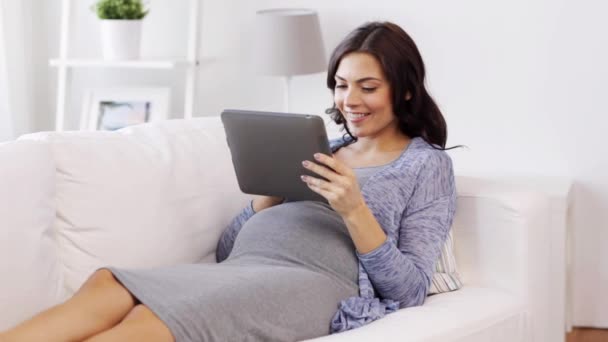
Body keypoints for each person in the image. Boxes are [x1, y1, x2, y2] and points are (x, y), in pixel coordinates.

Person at [0, 21, 458, 342]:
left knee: (150, 323)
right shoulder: (326, 148)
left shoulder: (425, 166)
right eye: (340, 85)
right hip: (242, 268)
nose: (349, 99)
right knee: (109, 284)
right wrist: (267, 196)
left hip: (314, 282)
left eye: (367, 87)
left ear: (405, 89)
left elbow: (409, 290)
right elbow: (228, 249)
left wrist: (354, 209)